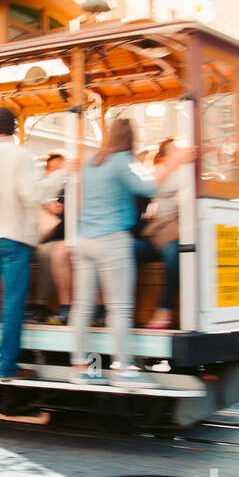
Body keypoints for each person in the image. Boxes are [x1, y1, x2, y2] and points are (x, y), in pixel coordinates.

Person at [70, 119, 194, 386]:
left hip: (83, 240)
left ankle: (80, 366)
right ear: (130, 139)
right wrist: (177, 161)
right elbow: (150, 188)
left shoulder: (92, 162)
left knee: (82, 306)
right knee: (120, 308)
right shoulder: (122, 160)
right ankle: (124, 368)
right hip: (111, 240)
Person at [0, 108, 65, 379]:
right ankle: (7, 366)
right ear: (14, 129)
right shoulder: (22, 156)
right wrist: (58, 177)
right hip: (14, 236)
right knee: (12, 303)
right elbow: (31, 194)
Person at [135, 138, 193, 328]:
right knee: (127, 250)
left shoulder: (187, 173)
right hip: (158, 236)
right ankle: (127, 310)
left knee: (173, 251)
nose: (180, 153)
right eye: (174, 151)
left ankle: (165, 309)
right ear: (165, 157)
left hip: (178, 238)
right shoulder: (162, 175)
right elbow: (153, 186)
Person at [31, 152, 73, 324]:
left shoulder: (69, 189)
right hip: (44, 235)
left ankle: (40, 304)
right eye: (55, 169)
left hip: (62, 237)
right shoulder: (44, 192)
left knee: (46, 252)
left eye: (61, 168)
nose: (59, 172)